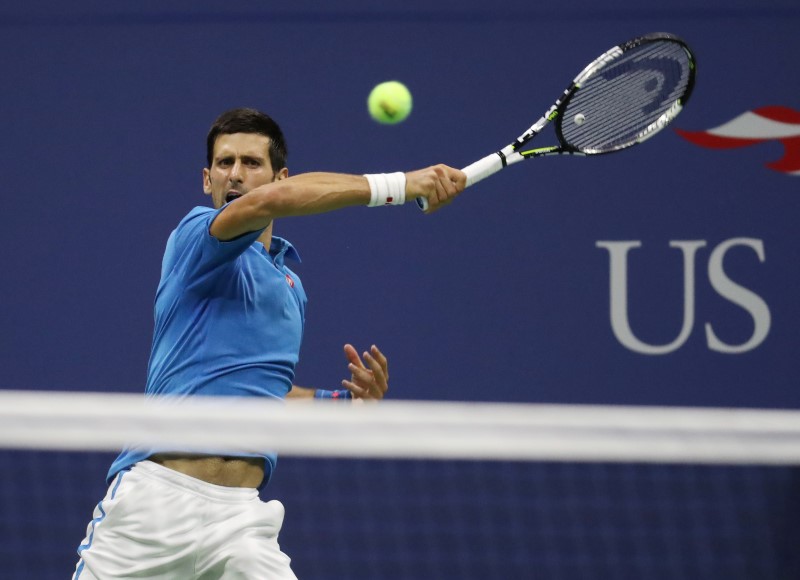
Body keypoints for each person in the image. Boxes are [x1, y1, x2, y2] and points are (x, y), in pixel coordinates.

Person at [72, 107, 466, 579]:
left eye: (251, 163)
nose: (235, 174)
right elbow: (267, 204)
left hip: (240, 521)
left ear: (279, 174)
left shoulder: (290, 288)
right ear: (206, 179)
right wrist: (402, 185)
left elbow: (266, 397)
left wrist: (344, 405)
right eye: (224, 163)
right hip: (154, 507)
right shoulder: (195, 234)